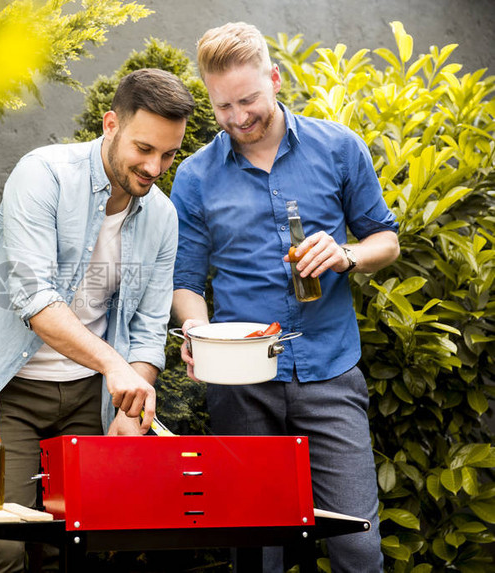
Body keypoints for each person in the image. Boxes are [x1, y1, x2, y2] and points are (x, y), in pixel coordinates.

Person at [170, 22, 400, 573]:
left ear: (275, 80)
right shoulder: (195, 177)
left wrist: (347, 254)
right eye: (223, 105)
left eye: (248, 99)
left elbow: (386, 240)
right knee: (254, 555)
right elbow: (185, 280)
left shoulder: (339, 148)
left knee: (358, 546)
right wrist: (197, 335)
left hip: (330, 371)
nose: (238, 116)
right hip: (240, 383)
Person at [0, 68, 195, 572]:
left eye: (169, 154)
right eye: (144, 149)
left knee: (76, 550)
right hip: (9, 389)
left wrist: (131, 400)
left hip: (90, 397)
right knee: (4, 548)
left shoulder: (163, 217)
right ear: (110, 124)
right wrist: (114, 366)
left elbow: (148, 330)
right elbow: (36, 301)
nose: (155, 167)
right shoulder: (44, 174)